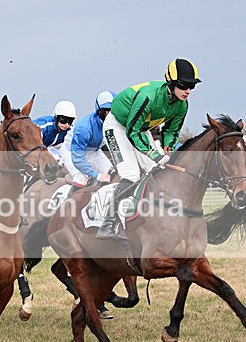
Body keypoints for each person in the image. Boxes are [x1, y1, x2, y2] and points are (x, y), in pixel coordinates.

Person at [97, 58, 200, 240]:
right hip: (118, 126)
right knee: (131, 174)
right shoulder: (148, 96)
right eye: (184, 86)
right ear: (172, 83)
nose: (188, 91)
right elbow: (132, 132)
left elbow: (171, 130)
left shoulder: (182, 105)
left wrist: (167, 146)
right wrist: (153, 153)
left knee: (156, 169)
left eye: (192, 86)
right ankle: (107, 223)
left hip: (140, 129)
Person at [59, 91, 115, 188]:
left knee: (112, 174)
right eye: (106, 111)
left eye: (112, 111)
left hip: (93, 151)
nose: (109, 115)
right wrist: (97, 175)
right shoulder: (84, 128)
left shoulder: (115, 124)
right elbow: (78, 160)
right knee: (81, 179)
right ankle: (68, 202)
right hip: (72, 152)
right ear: (99, 111)